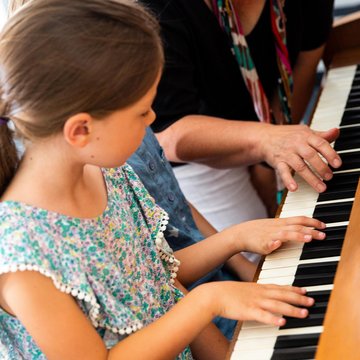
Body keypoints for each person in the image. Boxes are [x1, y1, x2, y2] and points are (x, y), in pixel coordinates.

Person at [0, 1, 328, 359]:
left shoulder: (107, 173)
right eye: (142, 111)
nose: (154, 118)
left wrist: (235, 238)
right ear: (80, 130)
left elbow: (157, 278)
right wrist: (208, 301)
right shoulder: (22, 255)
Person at [140, 0, 340, 232]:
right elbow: (169, 132)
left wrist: (268, 159)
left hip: (271, 128)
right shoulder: (158, 8)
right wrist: (264, 142)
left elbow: (303, 67)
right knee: (261, 255)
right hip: (195, 153)